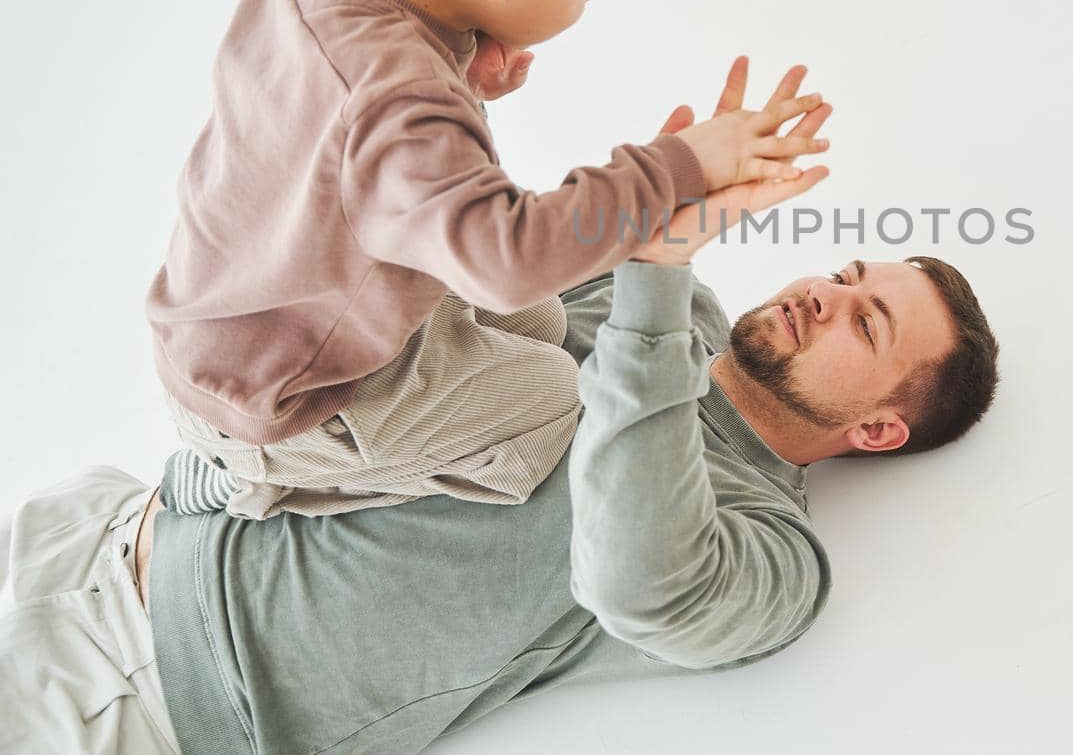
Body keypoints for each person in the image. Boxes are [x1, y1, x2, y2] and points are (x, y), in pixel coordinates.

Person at [1, 171, 1001, 754]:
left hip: (133, 694)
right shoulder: (658, 302)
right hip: (99, 523)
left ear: (874, 428)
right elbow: (464, 265)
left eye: (864, 320)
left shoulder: (774, 559)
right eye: (843, 271)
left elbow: (637, 575)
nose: (821, 292)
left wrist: (656, 274)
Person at [144, 0, 829, 521]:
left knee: (548, 325)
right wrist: (681, 166)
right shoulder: (403, 104)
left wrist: (457, 65)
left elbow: (341, 125)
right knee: (550, 396)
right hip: (287, 392)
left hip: (251, 303)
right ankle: (259, 481)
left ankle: (281, 445)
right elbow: (509, 260)